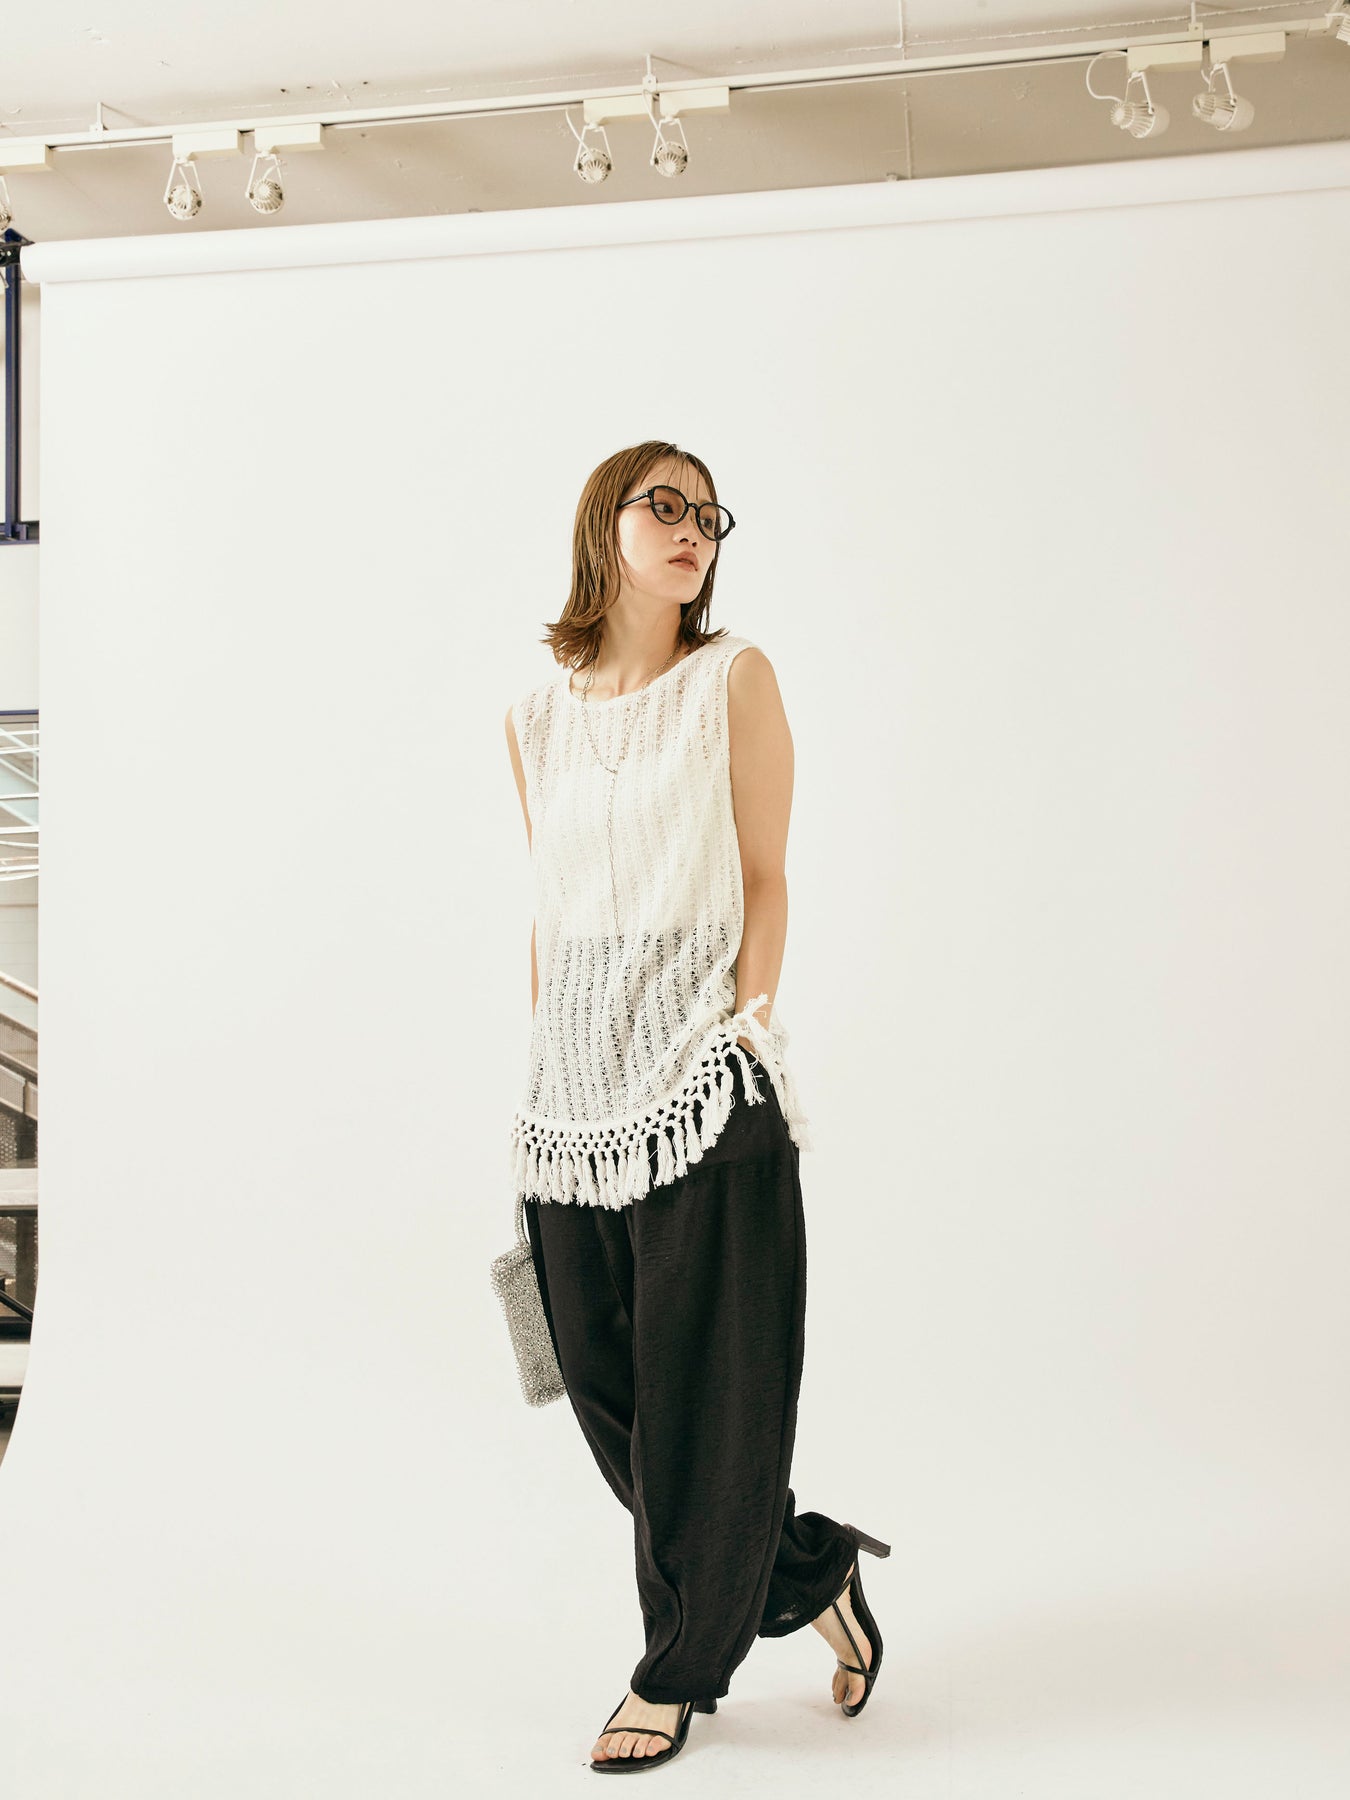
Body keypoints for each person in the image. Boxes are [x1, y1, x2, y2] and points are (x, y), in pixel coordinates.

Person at [504, 440, 889, 1773]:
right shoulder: (533, 715)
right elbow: (553, 903)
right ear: (601, 524)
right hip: (570, 1093)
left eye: (709, 515)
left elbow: (765, 874)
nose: (691, 529)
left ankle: (673, 1672)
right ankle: (809, 1570)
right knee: (600, 1379)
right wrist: (544, 1057)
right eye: (662, 505)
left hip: (705, 1081)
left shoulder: (734, 678)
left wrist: (744, 1030)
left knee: (708, 1398)